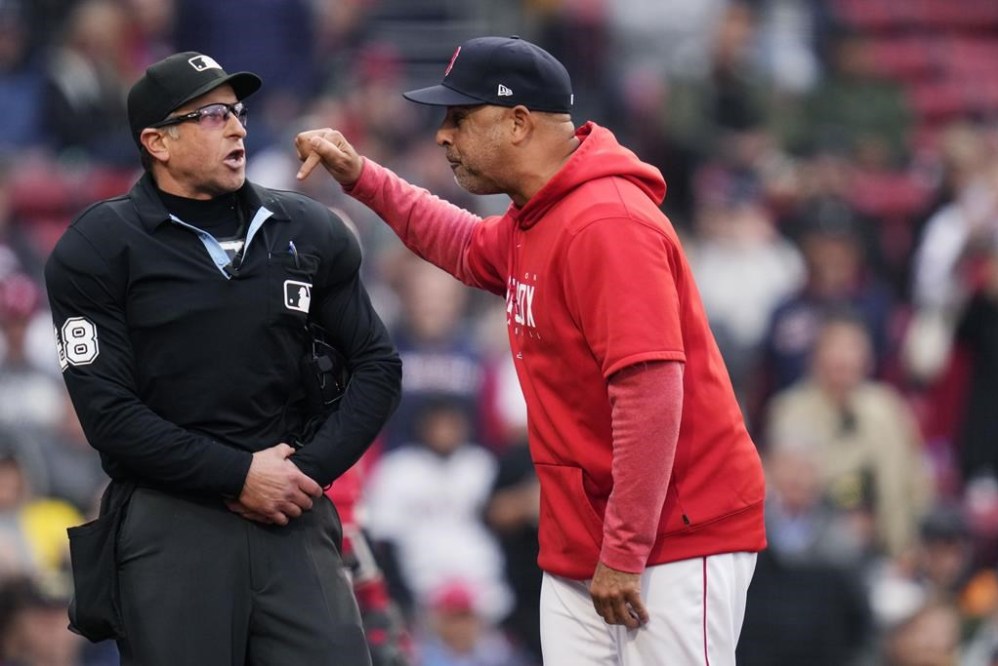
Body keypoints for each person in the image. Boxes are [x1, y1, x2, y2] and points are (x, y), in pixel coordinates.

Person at [295, 35, 766, 665]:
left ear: (519, 123)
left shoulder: (607, 223)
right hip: (588, 536)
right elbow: (461, 242)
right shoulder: (539, 215)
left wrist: (624, 552)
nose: (442, 136)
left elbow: (651, 396)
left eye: (460, 118)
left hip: (675, 532)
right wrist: (362, 177)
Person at [44, 51, 402, 665]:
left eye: (237, 112)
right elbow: (110, 417)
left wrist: (304, 473)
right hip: (172, 516)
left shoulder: (309, 230)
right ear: (157, 141)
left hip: (293, 508)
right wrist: (238, 475)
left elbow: (377, 365)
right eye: (211, 115)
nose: (238, 127)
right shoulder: (98, 246)